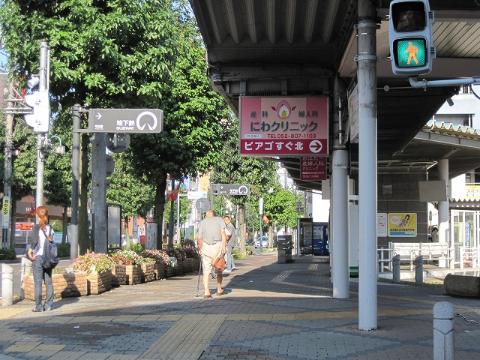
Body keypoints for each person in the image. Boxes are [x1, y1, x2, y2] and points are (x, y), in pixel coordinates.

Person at [27, 206, 55, 312]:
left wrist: (30, 251)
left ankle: (38, 306)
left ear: (38, 215)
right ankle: (48, 305)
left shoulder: (36, 227)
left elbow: (34, 242)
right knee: (48, 282)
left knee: (38, 282)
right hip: (48, 258)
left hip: (38, 257)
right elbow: (52, 242)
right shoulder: (50, 228)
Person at [197, 210, 227, 298]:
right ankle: (219, 289)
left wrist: (199, 248)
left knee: (206, 271)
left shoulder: (202, 222)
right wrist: (224, 246)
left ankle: (207, 291)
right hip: (217, 247)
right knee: (219, 268)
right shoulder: (220, 220)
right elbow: (223, 234)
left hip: (206, 248)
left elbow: (199, 238)